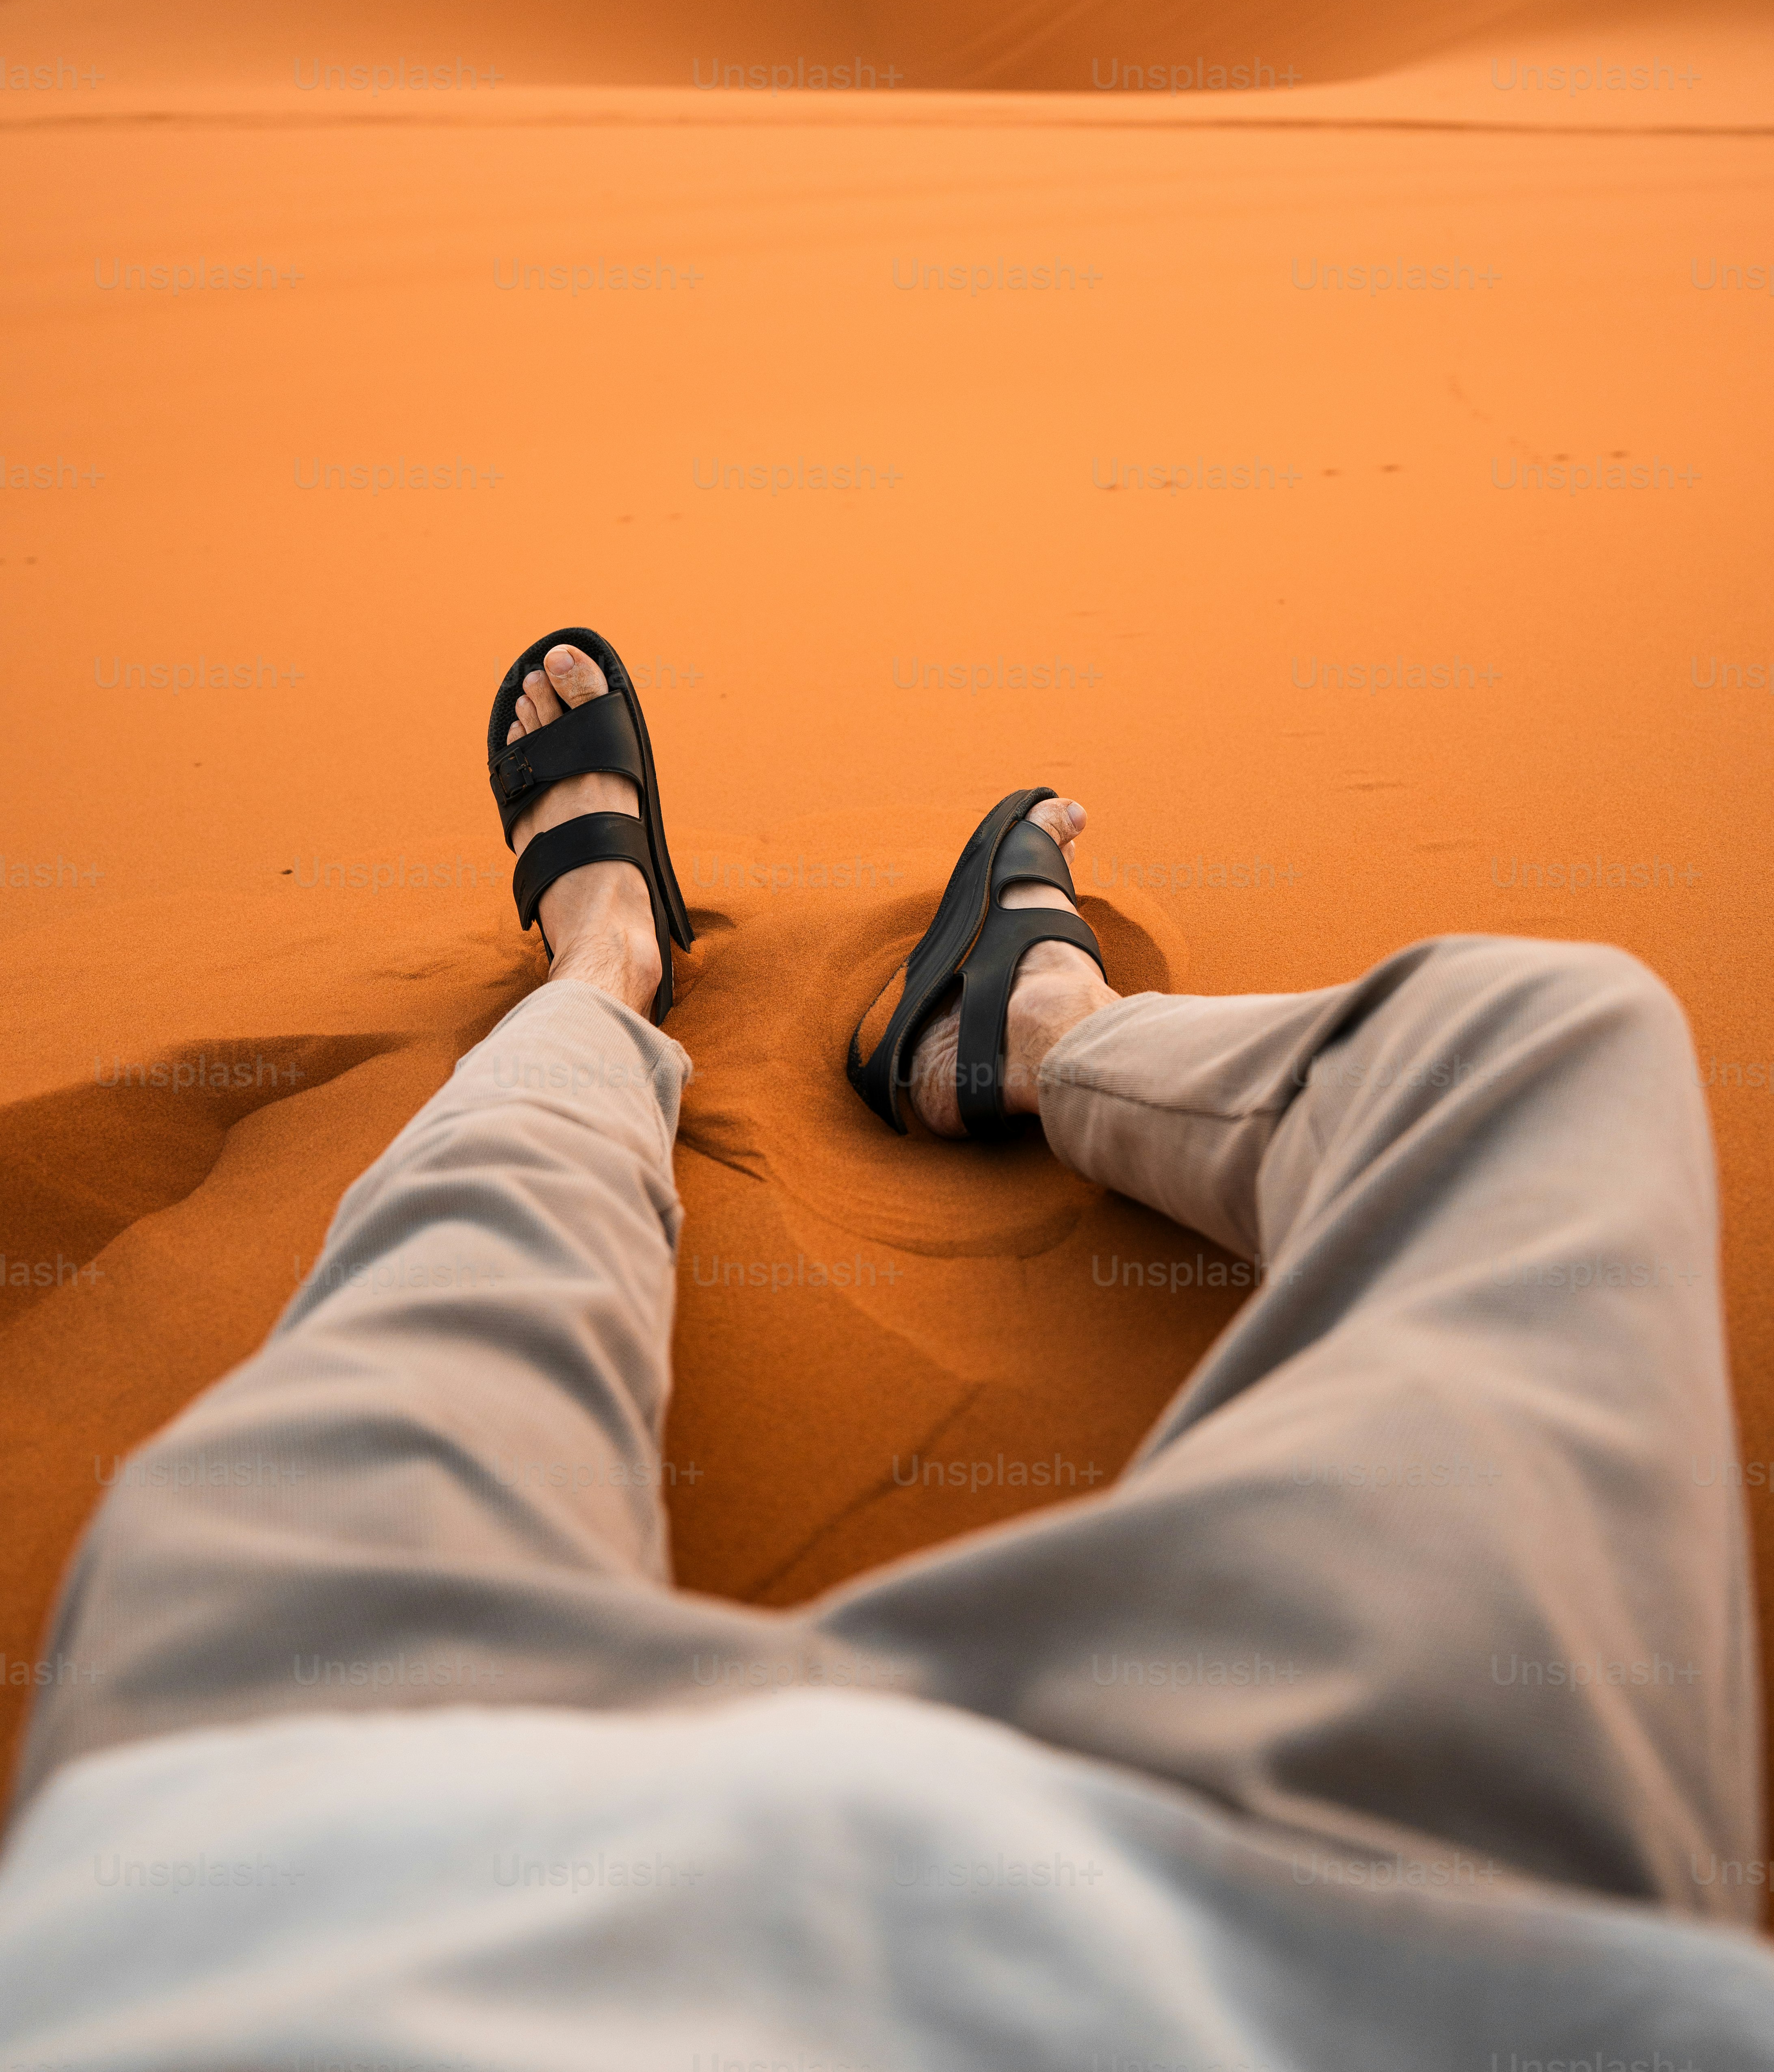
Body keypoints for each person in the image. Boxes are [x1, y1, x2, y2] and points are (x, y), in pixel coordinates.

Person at [2, 635, 1771, 2071]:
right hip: (1374, 1933)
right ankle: (1044, 1030)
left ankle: (603, 973)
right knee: (1549, 1046)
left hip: (287, 1885)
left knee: (458, 1264)